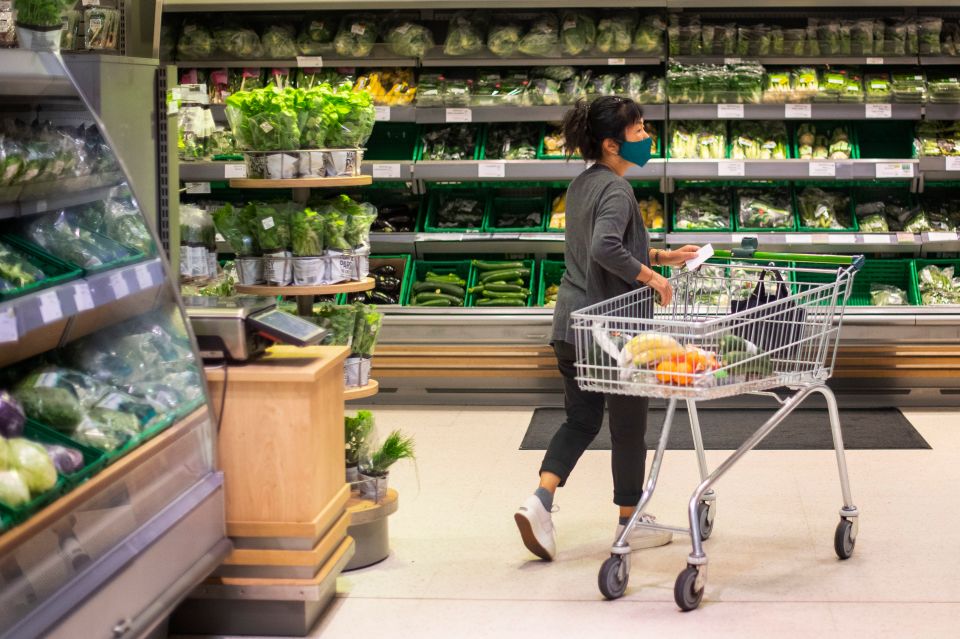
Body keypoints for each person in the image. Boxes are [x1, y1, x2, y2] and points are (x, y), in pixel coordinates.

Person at [514, 96, 699, 561]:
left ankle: (540, 500)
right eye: (639, 132)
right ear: (612, 143)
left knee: (581, 419)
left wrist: (662, 256)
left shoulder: (583, 184)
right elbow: (604, 248)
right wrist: (654, 278)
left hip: (571, 326)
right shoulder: (618, 190)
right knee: (628, 428)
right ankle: (629, 520)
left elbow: (605, 243)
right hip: (609, 330)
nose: (647, 138)